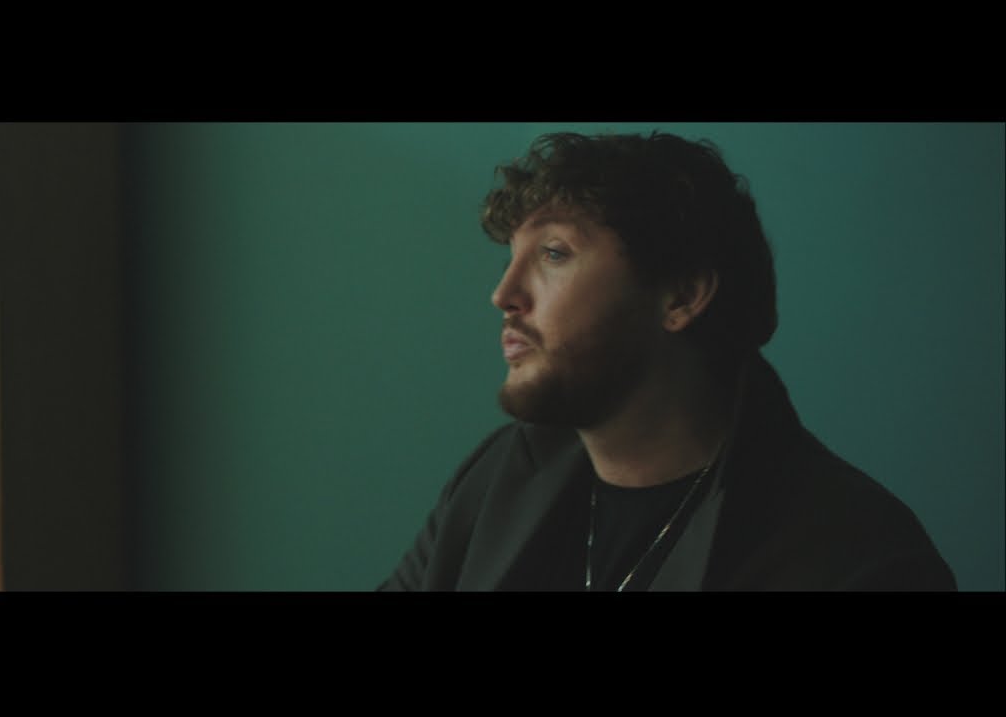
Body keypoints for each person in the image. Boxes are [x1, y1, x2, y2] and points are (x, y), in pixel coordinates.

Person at [380, 131, 956, 591]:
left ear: (681, 296)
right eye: (511, 258)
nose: (503, 294)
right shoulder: (494, 479)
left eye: (554, 253)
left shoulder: (858, 557)